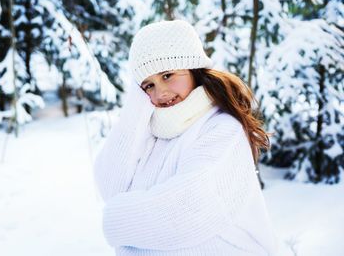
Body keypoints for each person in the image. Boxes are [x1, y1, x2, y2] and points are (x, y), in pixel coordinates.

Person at [93, 20, 278, 256]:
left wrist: (115, 221)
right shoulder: (154, 130)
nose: (160, 93)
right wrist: (136, 103)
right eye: (148, 85)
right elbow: (111, 187)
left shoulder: (222, 129)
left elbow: (186, 209)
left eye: (168, 75)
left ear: (193, 69)